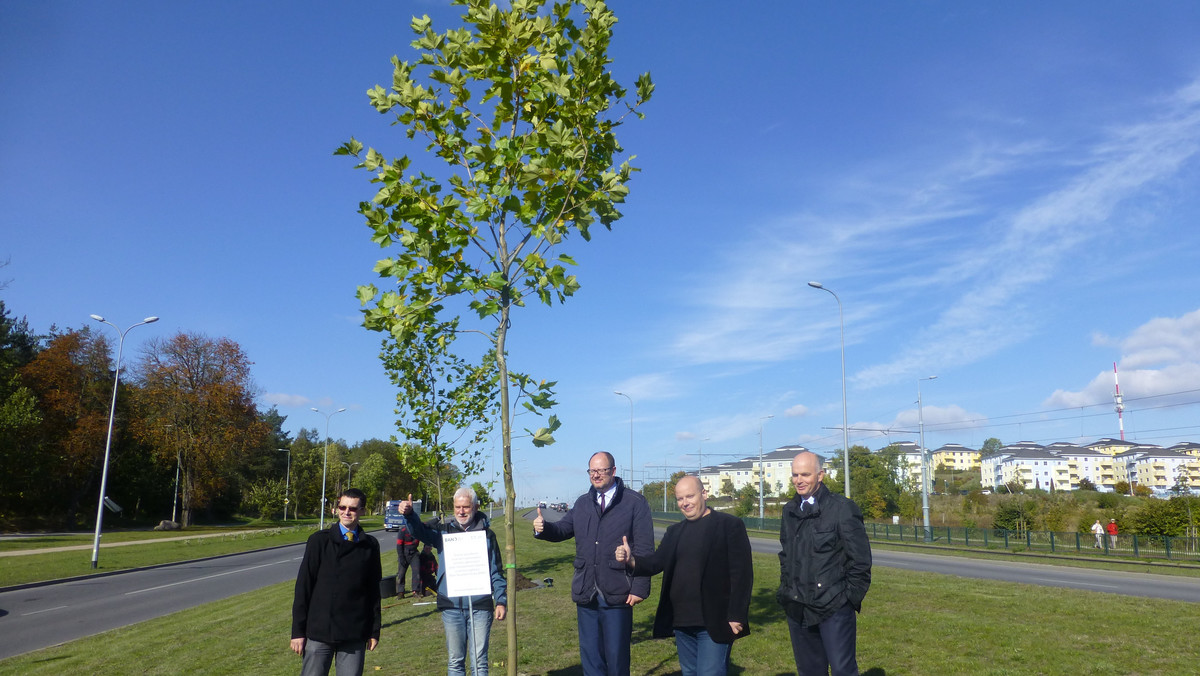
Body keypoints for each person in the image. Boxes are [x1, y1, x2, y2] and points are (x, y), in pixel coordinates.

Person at [614, 475, 752, 676]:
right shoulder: (674, 531)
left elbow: (742, 575)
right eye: (680, 499)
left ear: (704, 494)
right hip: (682, 622)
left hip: (715, 620)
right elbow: (656, 562)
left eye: (690, 496)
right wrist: (630, 559)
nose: (685, 503)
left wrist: (737, 615)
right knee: (690, 672)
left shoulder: (729, 525)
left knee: (710, 673)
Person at [533, 451, 654, 676]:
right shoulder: (582, 503)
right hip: (586, 592)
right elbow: (562, 529)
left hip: (618, 591)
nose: (596, 475)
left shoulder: (634, 503)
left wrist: (639, 588)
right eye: (592, 471)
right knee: (591, 659)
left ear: (613, 471)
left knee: (617, 660)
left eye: (601, 470)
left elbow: (645, 548)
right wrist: (543, 528)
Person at [777, 451, 872, 676]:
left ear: (820, 475)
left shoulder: (842, 508)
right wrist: (786, 589)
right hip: (797, 606)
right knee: (809, 671)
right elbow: (786, 556)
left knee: (843, 670)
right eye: (795, 475)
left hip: (833, 608)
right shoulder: (789, 510)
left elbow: (860, 560)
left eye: (805, 474)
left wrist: (847, 600)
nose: (799, 480)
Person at [399, 488, 506, 676]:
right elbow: (419, 532)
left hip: (481, 607)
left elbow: (496, 570)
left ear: (475, 507)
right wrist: (409, 515)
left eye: (466, 507)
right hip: (451, 607)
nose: (461, 511)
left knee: (479, 662)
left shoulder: (488, 536)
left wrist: (501, 600)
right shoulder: (443, 532)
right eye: (457, 507)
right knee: (455, 661)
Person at [291, 488, 382, 676]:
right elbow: (303, 587)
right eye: (342, 507)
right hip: (319, 630)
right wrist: (298, 632)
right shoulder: (319, 541)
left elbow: (373, 591)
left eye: (353, 508)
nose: (346, 512)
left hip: (354, 631)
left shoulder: (370, 545)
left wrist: (374, 631)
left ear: (363, 511)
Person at [395, 510, 422, 598]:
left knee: (416, 572)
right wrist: (401, 557)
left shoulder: (418, 529)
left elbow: (427, 526)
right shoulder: (402, 531)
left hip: (414, 553)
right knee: (401, 573)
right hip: (404, 553)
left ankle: (416, 591)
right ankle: (400, 592)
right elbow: (399, 546)